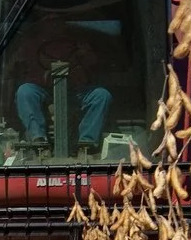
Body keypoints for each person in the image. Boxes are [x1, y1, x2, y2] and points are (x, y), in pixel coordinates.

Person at [8, 23, 113, 153]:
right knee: (25, 91)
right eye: (51, 22)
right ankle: (38, 138)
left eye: (59, 21)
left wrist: (84, 56)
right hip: (43, 91)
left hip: (76, 91)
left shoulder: (79, 42)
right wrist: (45, 77)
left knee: (101, 95)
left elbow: (95, 63)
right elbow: (13, 68)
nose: (56, 26)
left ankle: (87, 142)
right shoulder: (30, 44)